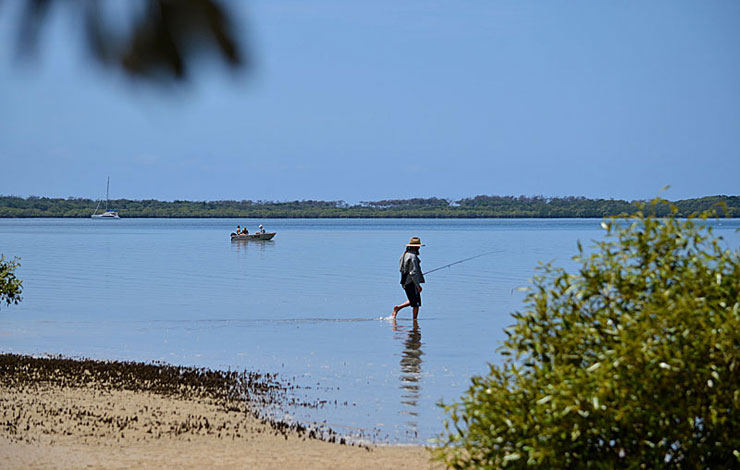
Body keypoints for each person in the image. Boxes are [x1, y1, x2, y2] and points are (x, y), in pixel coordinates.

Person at [392, 237, 426, 320]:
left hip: (405, 282)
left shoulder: (404, 255)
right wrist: (418, 285)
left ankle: (398, 308)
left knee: (413, 300)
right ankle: (415, 321)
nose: (419, 248)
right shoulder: (413, 257)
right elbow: (413, 273)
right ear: (416, 247)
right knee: (416, 304)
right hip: (411, 283)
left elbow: (402, 269)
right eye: (418, 246)